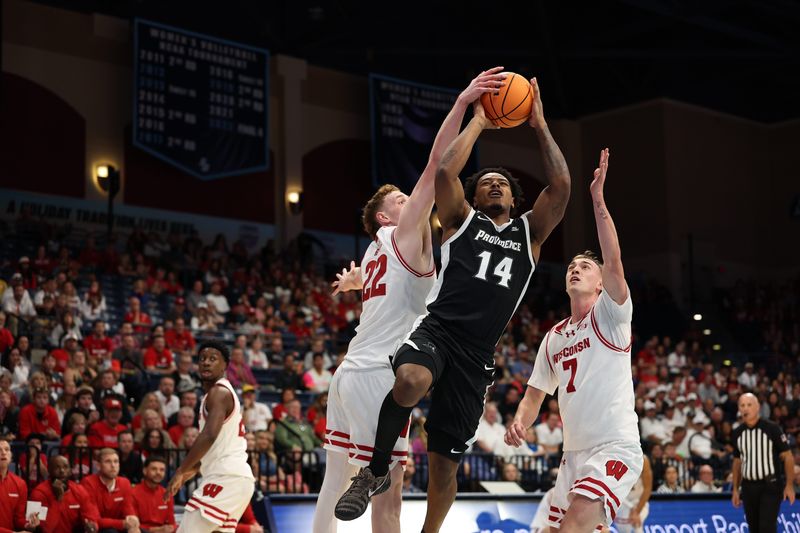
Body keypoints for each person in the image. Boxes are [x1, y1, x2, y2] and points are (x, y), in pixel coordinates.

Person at [337, 75, 571, 533]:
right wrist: (480, 119)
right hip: (437, 330)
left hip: (476, 355)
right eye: (486, 182)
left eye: (503, 183)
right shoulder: (459, 220)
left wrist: (539, 123)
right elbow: (445, 172)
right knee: (409, 379)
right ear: (475, 195)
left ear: (514, 196)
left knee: (444, 466)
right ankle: (375, 470)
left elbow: (561, 186)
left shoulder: (531, 233)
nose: (496, 185)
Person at [319, 67, 509, 532]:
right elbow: (436, 164)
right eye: (402, 199)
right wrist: (464, 103)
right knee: (389, 487)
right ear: (386, 215)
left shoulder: (376, 249)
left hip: (348, 373)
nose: (413, 200)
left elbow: (382, 281)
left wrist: (355, 282)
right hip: (378, 376)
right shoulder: (401, 233)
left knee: (334, 477)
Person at [505, 149, 642, 532]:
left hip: (614, 445)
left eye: (585, 267)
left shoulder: (611, 314)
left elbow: (613, 261)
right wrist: (520, 421)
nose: (575, 270)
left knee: (575, 524)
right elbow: (535, 395)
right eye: (571, 267)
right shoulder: (553, 337)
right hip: (572, 455)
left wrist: (597, 200)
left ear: (600, 283)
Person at [164, 341, 255, 533]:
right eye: (202, 359)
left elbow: (209, 435)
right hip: (236, 478)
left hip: (226, 477)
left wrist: (181, 469)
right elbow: (217, 445)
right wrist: (193, 470)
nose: (206, 362)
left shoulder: (219, 392)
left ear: (225, 366)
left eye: (213, 359)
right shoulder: (218, 394)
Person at [731, 392, 796, 533]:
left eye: (749, 405)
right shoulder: (737, 433)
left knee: (766, 528)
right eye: (742, 405)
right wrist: (735, 489)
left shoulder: (772, 428)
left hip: (770, 485)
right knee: (753, 528)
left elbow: (788, 456)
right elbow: (737, 462)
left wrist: (789, 485)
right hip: (748, 487)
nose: (745, 408)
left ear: (758, 407)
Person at [29, 455, 100, 533]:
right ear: (49, 470)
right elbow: (44, 530)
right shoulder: (37, 493)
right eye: (57, 467)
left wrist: (92, 526)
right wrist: (58, 500)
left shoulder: (80, 490)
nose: (62, 471)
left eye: (65, 467)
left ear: (70, 471)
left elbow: (91, 517)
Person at [80, 448, 140, 532]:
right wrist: (122, 523)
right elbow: (94, 520)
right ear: (98, 465)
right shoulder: (88, 483)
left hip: (119, 527)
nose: (113, 465)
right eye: (108, 461)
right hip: (97, 529)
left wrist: (133, 521)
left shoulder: (124, 483)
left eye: (116, 461)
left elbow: (128, 509)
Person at [0, 438, 38, 533]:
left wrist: (28, 525)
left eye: (7, 449)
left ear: (11, 456)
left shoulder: (20, 483)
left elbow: (18, 518)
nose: (3, 453)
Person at [131, 456, 176, 533]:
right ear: (145, 471)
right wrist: (156, 530)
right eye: (154, 469)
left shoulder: (167, 494)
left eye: (162, 470)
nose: (158, 472)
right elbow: (132, 525)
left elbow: (172, 523)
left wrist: (171, 528)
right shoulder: (133, 493)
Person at [614, 455, 652, 533]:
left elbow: (648, 488)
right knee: (623, 530)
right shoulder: (615, 458)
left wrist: (636, 511)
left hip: (638, 501)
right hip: (622, 502)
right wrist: (631, 507)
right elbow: (614, 490)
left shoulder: (643, 460)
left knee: (637, 526)